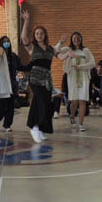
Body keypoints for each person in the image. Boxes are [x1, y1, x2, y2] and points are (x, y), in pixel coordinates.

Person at [21, 9, 64, 143]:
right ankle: (34, 127)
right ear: (35, 35)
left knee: (46, 103)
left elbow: (60, 56)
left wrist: (68, 54)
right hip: (35, 78)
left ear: (45, 35)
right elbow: (23, 37)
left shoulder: (50, 48)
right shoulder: (32, 47)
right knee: (39, 100)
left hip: (47, 80)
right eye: (37, 33)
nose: (39, 35)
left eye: (42, 33)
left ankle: (41, 128)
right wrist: (26, 21)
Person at [57, 31, 95, 132]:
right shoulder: (68, 49)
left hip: (84, 78)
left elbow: (92, 63)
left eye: (78, 38)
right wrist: (60, 42)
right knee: (74, 101)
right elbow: (56, 51)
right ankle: (72, 116)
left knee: (83, 101)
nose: (76, 40)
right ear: (71, 40)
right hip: (72, 78)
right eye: (74, 38)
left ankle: (81, 124)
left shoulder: (86, 51)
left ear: (81, 39)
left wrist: (81, 67)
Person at [0, 35, 21, 133]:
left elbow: (20, 66)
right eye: (4, 41)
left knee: (10, 106)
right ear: (1, 43)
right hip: (1, 84)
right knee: (1, 106)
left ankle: (7, 124)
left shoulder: (14, 56)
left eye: (8, 41)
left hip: (12, 84)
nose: (6, 43)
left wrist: (31, 66)